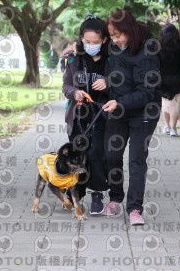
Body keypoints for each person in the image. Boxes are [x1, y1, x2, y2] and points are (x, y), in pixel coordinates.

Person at [102, 9, 161, 226]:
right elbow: (93, 42)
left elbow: (147, 91)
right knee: (111, 155)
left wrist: (120, 102)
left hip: (144, 111)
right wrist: (76, 47)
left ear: (129, 30)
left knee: (136, 159)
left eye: (118, 35)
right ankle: (115, 197)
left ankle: (135, 208)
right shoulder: (114, 46)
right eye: (112, 35)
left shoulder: (148, 49)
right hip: (117, 109)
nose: (115, 40)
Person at [61, 15, 110, 214]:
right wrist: (75, 93)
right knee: (77, 155)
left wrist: (108, 81)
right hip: (78, 117)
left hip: (102, 117)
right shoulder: (75, 59)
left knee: (96, 153)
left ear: (104, 40)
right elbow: (66, 86)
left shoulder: (112, 59)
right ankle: (76, 192)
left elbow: (123, 81)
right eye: (87, 41)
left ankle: (97, 193)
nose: (91, 45)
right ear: (81, 39)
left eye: (95, 42)